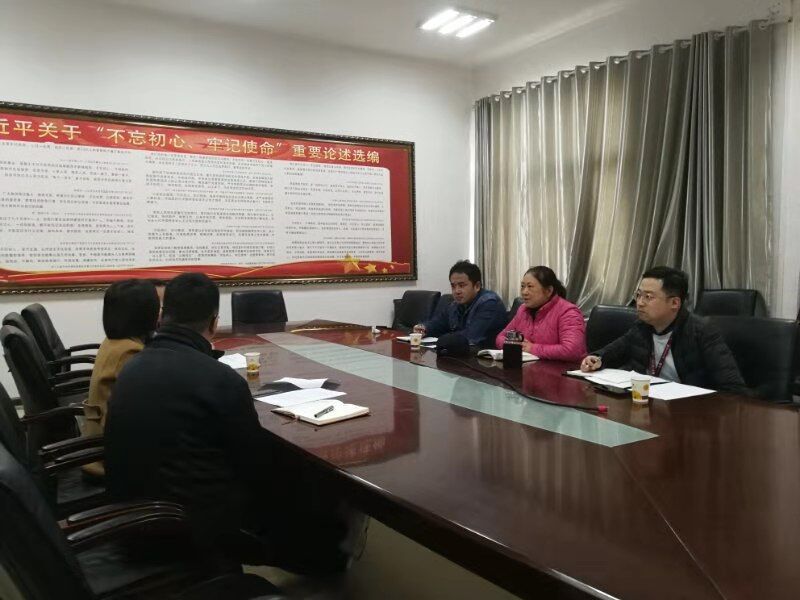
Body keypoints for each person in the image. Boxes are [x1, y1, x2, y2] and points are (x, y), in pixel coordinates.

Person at [105, 273, 351, 572]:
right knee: (301, 475)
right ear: (213, 323)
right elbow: (256, 466)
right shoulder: (219, 379)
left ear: (163, 316)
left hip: (134, 511)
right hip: (194, 524)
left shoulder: (132, 366)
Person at [580, 266, 747, 393]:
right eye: (638, 295)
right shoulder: (642, 327)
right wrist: (597, 358)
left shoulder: (701, 332)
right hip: (650, 403)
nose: (640, 303)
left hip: (689, 412)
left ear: (674, 303)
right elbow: (614, 351)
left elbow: (733, 388)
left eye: (648, 297)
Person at [82, 279, 160, 477]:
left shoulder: (115, 342)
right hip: (108, 457)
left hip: (100, 440)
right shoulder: (130, 352)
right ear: (146, 313)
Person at [495, 266, 586, 361]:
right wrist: (515, 345)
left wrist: (532, 348)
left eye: (530, 287)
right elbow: (500, 338)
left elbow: (572, 350)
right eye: (522, 286)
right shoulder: (523, 310)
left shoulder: (568, 312)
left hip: (562, 368)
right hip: (528, 367)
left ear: (548, 291)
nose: (524, 292)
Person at [414, 260, 507, 348]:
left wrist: (444, 339)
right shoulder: (455, 304)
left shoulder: (490, 303)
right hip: (461, 354)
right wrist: (424, 328)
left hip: (482, 356)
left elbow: (471, 336)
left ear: (477, 286)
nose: (457, 291)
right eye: (453, 286)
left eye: (462, 285)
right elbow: (439, 323)